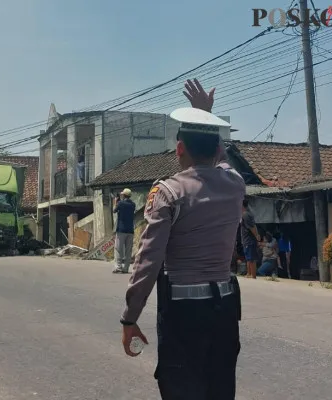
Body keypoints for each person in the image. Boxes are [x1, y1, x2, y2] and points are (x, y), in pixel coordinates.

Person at [119, 79, 245, 399]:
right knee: (219, 389)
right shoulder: (234, 184)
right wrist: (206, 115)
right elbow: (224, 157)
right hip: (226, 308)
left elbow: (148, 260)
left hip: (184, 314)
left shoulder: (169, 192)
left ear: (179, 149)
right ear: (217, 149)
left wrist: (130, 317)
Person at [113, 188, 136, 273]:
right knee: (128, 250)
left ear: (123, 195)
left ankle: (118, 267)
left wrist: (116, 202)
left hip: (121, 230)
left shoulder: (120, 203)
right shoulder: (133, 204)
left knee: (118, 249)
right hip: (130, 230)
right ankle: (126, 268)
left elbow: (114, 211)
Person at [241, 199, 260, 279]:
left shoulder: (245, 214)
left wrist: (256, 236)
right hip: (246, 240)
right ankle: (249, 273)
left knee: (251, 258)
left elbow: (252, 227)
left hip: (249, 240)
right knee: (248, 258)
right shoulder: (246, 214)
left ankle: (253, 275)